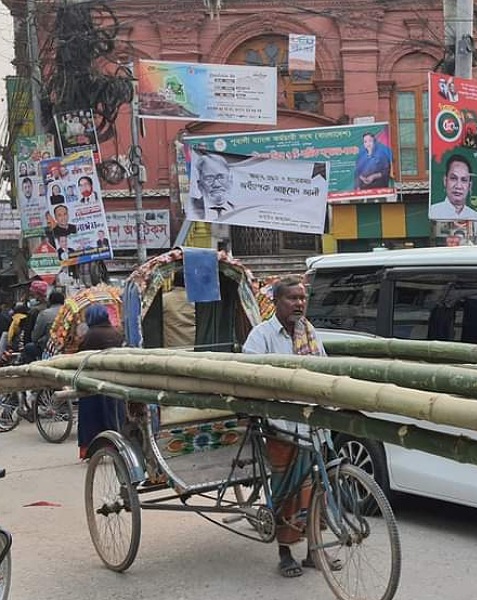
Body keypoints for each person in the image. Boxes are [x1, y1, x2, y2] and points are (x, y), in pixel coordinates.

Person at [242, 277, 339, 578]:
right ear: (276, 302)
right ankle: (284, 553)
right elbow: (251, 378)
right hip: (280, 426)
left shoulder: (309, 333)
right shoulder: (261, 336)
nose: (299, 304)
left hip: (312, 423)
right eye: (292, 298)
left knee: (316, 489)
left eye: (302, 298)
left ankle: (313, 551)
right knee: (287, 492)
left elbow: (324, 369)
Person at [76, 303, 125, 459]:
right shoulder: (117, 333)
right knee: (114, 416)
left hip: (95, 382)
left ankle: (91, 448)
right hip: (116, 381)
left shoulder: (92, 335)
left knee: (90, 415)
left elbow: (82, 357)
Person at [429, 154, 477, 221]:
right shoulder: (433, 212)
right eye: (453, 178)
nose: (458, 186)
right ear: (445, 181)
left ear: (469, 185)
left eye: (464, 180)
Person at [190, 153, 234, 220]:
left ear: (230, 181)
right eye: (209, 178)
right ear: (199, 185)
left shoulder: (240, 211)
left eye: (221, 177)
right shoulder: (191, 208)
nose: (216, 184)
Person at [162, 272, 195, 348]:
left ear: (173, 281)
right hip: (195, 345)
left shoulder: (164, 299)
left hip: (172, 347)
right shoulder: (197, 300)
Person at [31, 290, 65, 356]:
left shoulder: (44, 314)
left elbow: (35, 337)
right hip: (68, 346)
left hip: (49, 348)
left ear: (49, 301)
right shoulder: (69, 312)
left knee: (29, 347)